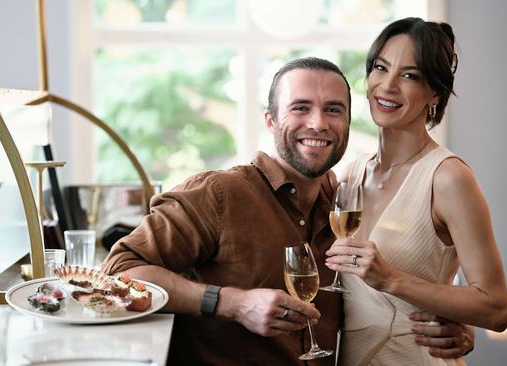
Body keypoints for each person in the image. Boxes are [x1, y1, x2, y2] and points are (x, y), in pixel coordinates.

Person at [102, 56, 474, 365]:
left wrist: (448, 321)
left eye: (333, 110)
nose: (318, 123)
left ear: (346, 124)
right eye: (300, 107)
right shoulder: (218, 193)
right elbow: (119, 271)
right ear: (270, 120)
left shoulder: (345, 209)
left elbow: (395, 282)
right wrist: (232, 302)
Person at [324, 17, 507, 365]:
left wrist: (392, 279)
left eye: (409, 75)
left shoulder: (448, 178)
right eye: (381, 68)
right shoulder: (351, 174)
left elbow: (496, 307)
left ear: (434, 93)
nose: (388, 85)